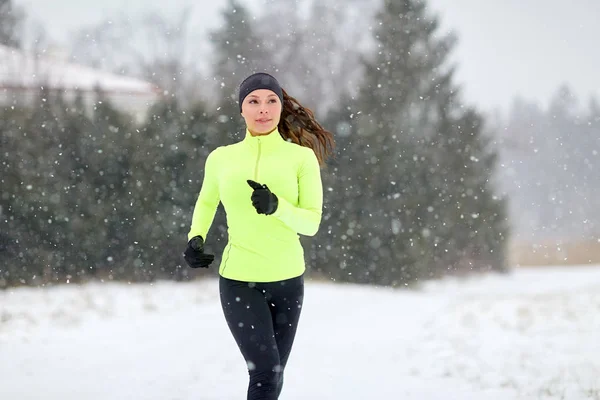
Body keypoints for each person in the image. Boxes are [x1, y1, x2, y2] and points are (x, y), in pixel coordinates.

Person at [183, 72, 335, 400]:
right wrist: (195, 239)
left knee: (274, 375)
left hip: (288, 282)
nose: (262, 109)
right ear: (241, 109)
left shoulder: (301, 158)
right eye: (253, 101)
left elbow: (311, 223)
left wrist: (277, 206)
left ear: (281, 107)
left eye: (271, 101)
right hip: (239, 281)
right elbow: (207, 201)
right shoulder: (222, 159)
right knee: (265, 373)